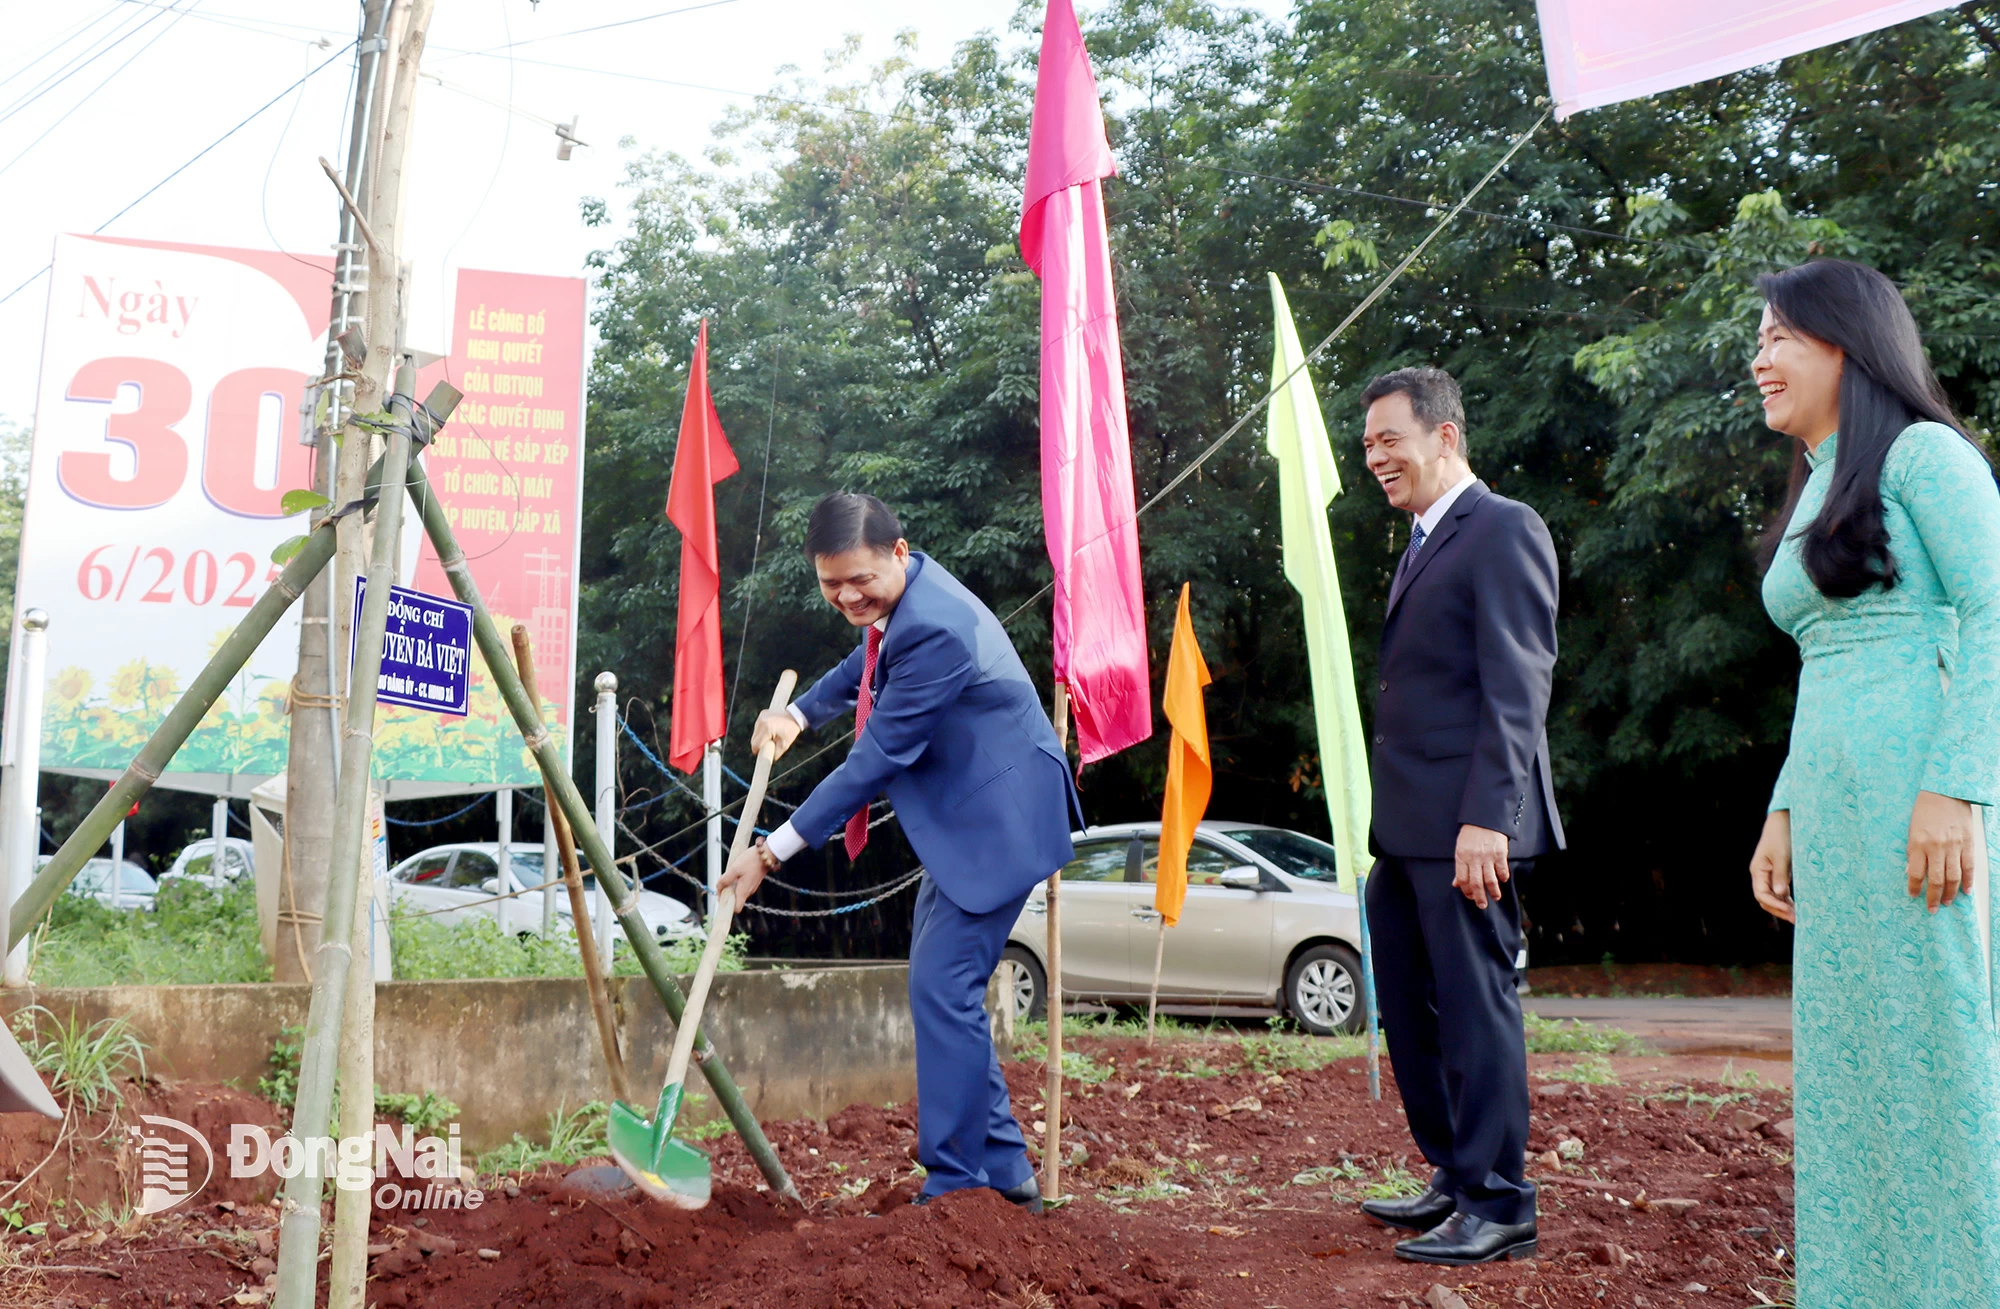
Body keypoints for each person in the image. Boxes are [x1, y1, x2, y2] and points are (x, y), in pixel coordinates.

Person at [1745, 258, 2000, 1307]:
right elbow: (1827, 662)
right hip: (1838, 816)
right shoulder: (1820, 481)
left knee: (1938, 1055)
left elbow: (1992, 613)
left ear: (1845, 344)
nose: (1758, 360)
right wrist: (1782, 806)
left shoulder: (1925, 456)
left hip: (1922, 806)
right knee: (1852, 1068)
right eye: (1758, 341)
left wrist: (1956, 785)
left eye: (1777, 337)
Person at [717, 492, 1082, 1213]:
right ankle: (1006, 1171)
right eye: (832, 584)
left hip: (1000, 823)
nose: (849, 597)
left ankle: (955, 1182)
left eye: (860, 579)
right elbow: (864, 666)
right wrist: (797, 714)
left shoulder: (936, 629)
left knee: (943, 991)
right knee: (943, 991)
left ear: (899, 552)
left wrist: (771, 852)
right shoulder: (905, 603)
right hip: (967, 822)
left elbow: (874, 760)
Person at [1354, 366, 1562, 1265]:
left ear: (1445, 436)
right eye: (1367, 445)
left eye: (1389, 439)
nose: (1375, 457)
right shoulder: (1420, 541)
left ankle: (1500, 1199)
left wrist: (1488, 819)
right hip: (1407, 830)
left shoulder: (1503, 527)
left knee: (1476, 1012)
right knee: (1409, 1006)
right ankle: (1454, 1171)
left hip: (1467, 829)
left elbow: (1518, 686)